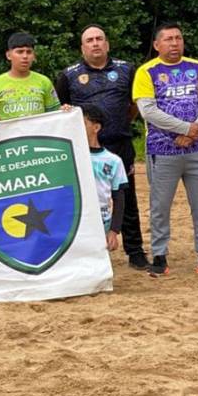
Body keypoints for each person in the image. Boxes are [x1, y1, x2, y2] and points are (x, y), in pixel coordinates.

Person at [56, 26, 150, 270]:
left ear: (107, 44)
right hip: (84, 149)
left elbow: (134, 104)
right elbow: (62, 109)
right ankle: (84, 251)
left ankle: (135, 251)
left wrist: (117, 123)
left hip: (120, 143)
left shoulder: (126, 69)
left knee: (126, 197)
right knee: (85, 198)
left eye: (99, 39)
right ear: (82, 47)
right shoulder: (68, 75)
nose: (95, 43)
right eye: (90, 40)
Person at [132, 22, 198, 276]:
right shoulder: (146, 72)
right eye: (169, 39)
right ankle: (159, 256)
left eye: (178, 38)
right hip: (162, 151)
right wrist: (185, 128)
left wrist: (196, 130)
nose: (174, 43)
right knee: (160, 206)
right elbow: (148, 111)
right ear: (157, 44)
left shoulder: (197, 67)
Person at [0, 33, 62, 119]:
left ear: (34, 56)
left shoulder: (44, 81)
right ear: (9, 55)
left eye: (29, 52)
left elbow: (55, 114)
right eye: (20, 52)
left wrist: (66, 111)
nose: (25, 56)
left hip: (38, 132)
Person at [82, 104, 127, 253]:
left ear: (96, 128)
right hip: (77, 221)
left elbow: (119, 198)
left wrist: (114, 231)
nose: (77, 127)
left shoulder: (113, 161)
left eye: (82, 123)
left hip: (102, 222)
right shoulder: (67, 157)